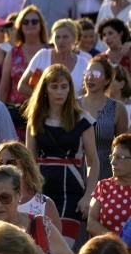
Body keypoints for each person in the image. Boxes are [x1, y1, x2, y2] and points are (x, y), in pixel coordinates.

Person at [25, 64, 100, 221]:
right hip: (41, 189)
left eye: (64, 87)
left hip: (71, 190)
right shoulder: (35, 119)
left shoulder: (82, 120)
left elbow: (93, 162)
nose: (59, 91)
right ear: (45, 89)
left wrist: (88, 196)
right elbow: (29, 161)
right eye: (54, 86)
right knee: (41, 242)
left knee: (64, 243)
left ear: (70, 89)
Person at [81, 57, 129, 180]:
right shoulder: (72, 105)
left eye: (96, 74)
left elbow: (124, 147)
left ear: (107, 80)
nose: (90, 78)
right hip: (74, 173)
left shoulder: (118, 108)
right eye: (87, 73)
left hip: (105, 174)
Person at [19, 18, 92, 98]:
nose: (61, 41)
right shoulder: (42, 55)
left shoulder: (84, 63)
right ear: (52, 39)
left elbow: (89, 92)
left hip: (73, 109)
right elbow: (22, 85)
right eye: (57, 37)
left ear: (75, 39)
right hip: (44, 109)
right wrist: (44, 98)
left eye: (65, 37)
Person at [89, 132, 131, 236]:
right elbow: (91, 223)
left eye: (119, 157)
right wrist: (118, 242)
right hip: (108, 248)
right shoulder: (104, 186)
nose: (112, 162)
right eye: (112, 156)